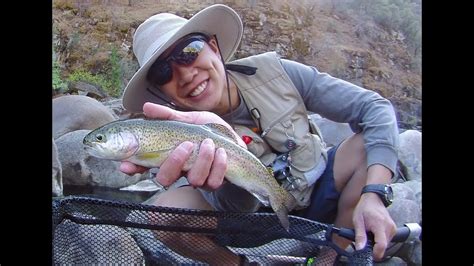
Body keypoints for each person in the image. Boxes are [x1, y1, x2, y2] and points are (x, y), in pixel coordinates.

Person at [120, 4, 398, 264]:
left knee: (365, 146)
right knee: (162, 216)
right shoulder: (171, 135)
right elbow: (235, 206)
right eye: (163, 72)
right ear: (159, 92)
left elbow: (374, 108)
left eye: (189, 51)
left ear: (214, 47)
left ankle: (328, 257)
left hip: (317, 195)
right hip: (248, 222)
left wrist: (374, 194)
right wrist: (223, 168)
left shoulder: (279, 72)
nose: (185, 73)